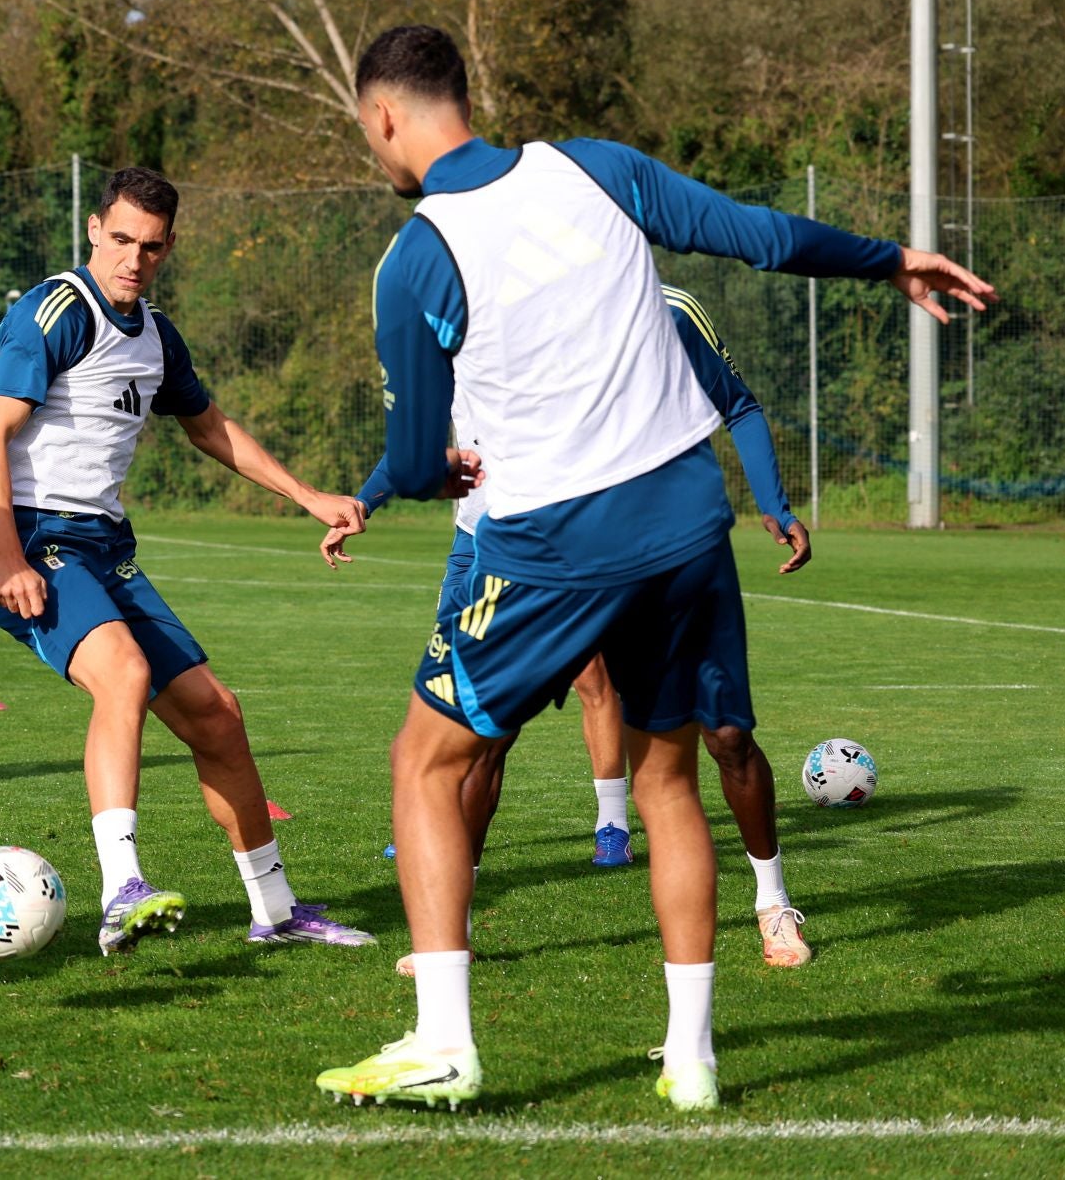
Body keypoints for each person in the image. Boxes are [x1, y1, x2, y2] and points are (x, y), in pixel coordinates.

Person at [313, 25, 992, 1112]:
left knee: (426, 762)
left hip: (549, 544)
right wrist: (889, 258)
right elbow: (757, 236)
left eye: (367, 132)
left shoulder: (418, 256)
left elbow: (412, 458)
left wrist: (425, 470)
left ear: (385, 116)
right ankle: (692, 1060)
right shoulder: (596, 167)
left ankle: (443, 1038)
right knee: (669, 778)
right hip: (685, 524)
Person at [337, 285, 817, 971]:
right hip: (503, 549)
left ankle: (773, 901)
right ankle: (454, 926)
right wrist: (370, 496)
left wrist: (772, 501)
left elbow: (734, 402)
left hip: (654, 545)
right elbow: (426, 436)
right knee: (481, 739)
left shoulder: (664, 308)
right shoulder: (474, 303)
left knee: (725, 736)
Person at [0, 166, 377, 957]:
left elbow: (209, 427)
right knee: (123, 672)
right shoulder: (53, 311)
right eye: (120, 239)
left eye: (151, 247)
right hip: (30, 539)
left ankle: (277, 910)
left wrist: (306, 493)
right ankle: (122, 888)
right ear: (94, 230)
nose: (133, 259)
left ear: (169, 248)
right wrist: (9, 555)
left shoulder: (156, 334)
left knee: (217, 714)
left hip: (103, 548)